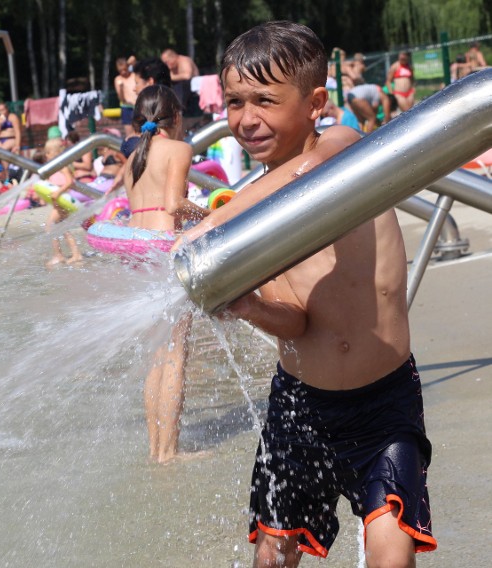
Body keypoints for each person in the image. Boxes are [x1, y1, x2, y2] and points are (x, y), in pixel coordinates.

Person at [179, 21, 436, 566]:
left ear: (316, 102)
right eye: (234, 102)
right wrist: (249, 306)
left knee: (393, 549)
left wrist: (215, 224)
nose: (247, 119)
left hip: (383, 402)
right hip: (299, 405)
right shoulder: (256, 223)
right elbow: (296, 320)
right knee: (274, 553)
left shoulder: (343, 147)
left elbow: (309, 172)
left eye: (265, 101)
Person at [125, 85, 210, 463]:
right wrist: (214, 214)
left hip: (136, 254)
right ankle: (170, 451)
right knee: (176, 353)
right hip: (165, 252)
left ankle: (155, 450)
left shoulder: (132, 160)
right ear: (176, 117)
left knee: (155, 356)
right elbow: (175, 205)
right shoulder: (179, 149)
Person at [43, 137, 81, 268]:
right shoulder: (53, 168)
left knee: (50, 226)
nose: (46, 155)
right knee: (64, 229)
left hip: (62, 201)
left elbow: (70, 181)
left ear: (56, 153)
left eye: (48, 152)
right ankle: (76, 254)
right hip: (57, 202)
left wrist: (58, 192)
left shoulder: (62, 165)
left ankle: (58, 255)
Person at [123, 59, 173, 158]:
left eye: (137, 83)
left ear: (150, 82)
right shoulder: (164, 108)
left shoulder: (163, 112)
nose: (134, 88)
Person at [114, 57, 138, 137]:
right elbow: (121, 99)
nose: (123, 72)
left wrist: (129, 62)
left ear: (128, 67)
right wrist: (121, 88)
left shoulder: (134, 75)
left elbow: (133, 59)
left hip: (138, 106)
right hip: (127, 108)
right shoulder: (118, 79)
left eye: (124, 69)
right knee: (129, 134)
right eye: (120, 70)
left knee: (141, 131)